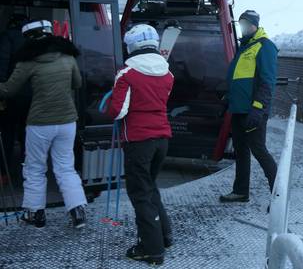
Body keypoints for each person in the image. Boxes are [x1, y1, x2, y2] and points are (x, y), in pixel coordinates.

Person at [0, 20, 87, 229]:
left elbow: (8, 90)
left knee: (35, 168)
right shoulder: (68, 58)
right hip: (67, 121)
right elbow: (78, 84)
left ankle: (35, 214)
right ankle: (78, 211)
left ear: (28, 39)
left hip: (40, 123)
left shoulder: (28, 62)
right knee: (66, 167)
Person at [108, 24, 174, 266]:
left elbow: (118, 111)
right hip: (162, 140)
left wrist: (108, 104)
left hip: (138, 141)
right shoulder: (167, 73)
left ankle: (151, 249)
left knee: (141, 195)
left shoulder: (127, 73)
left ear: (131, 46)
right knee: (150, 188)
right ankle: (164, 236)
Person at [220, 10, 279, 204]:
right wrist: (229, 96)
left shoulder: (265, 46)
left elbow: (267, 82)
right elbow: (239, 77)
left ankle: (279, 196)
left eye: (247, 24)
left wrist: (258, 108)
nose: (243, 27)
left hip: (252, 112)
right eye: (242, 23)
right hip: (238, 110)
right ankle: (240, 191)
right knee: (241, 151)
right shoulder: (246, 47)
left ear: (255, 25)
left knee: (259, 151)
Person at [0, 14, 30, 184]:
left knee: (7, 134)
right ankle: (27, 173)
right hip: (31, 96)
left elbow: (2, 64)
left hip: (12, 94)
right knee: (27, 135)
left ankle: (4, 173)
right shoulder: (32, 40)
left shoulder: (7, 37)